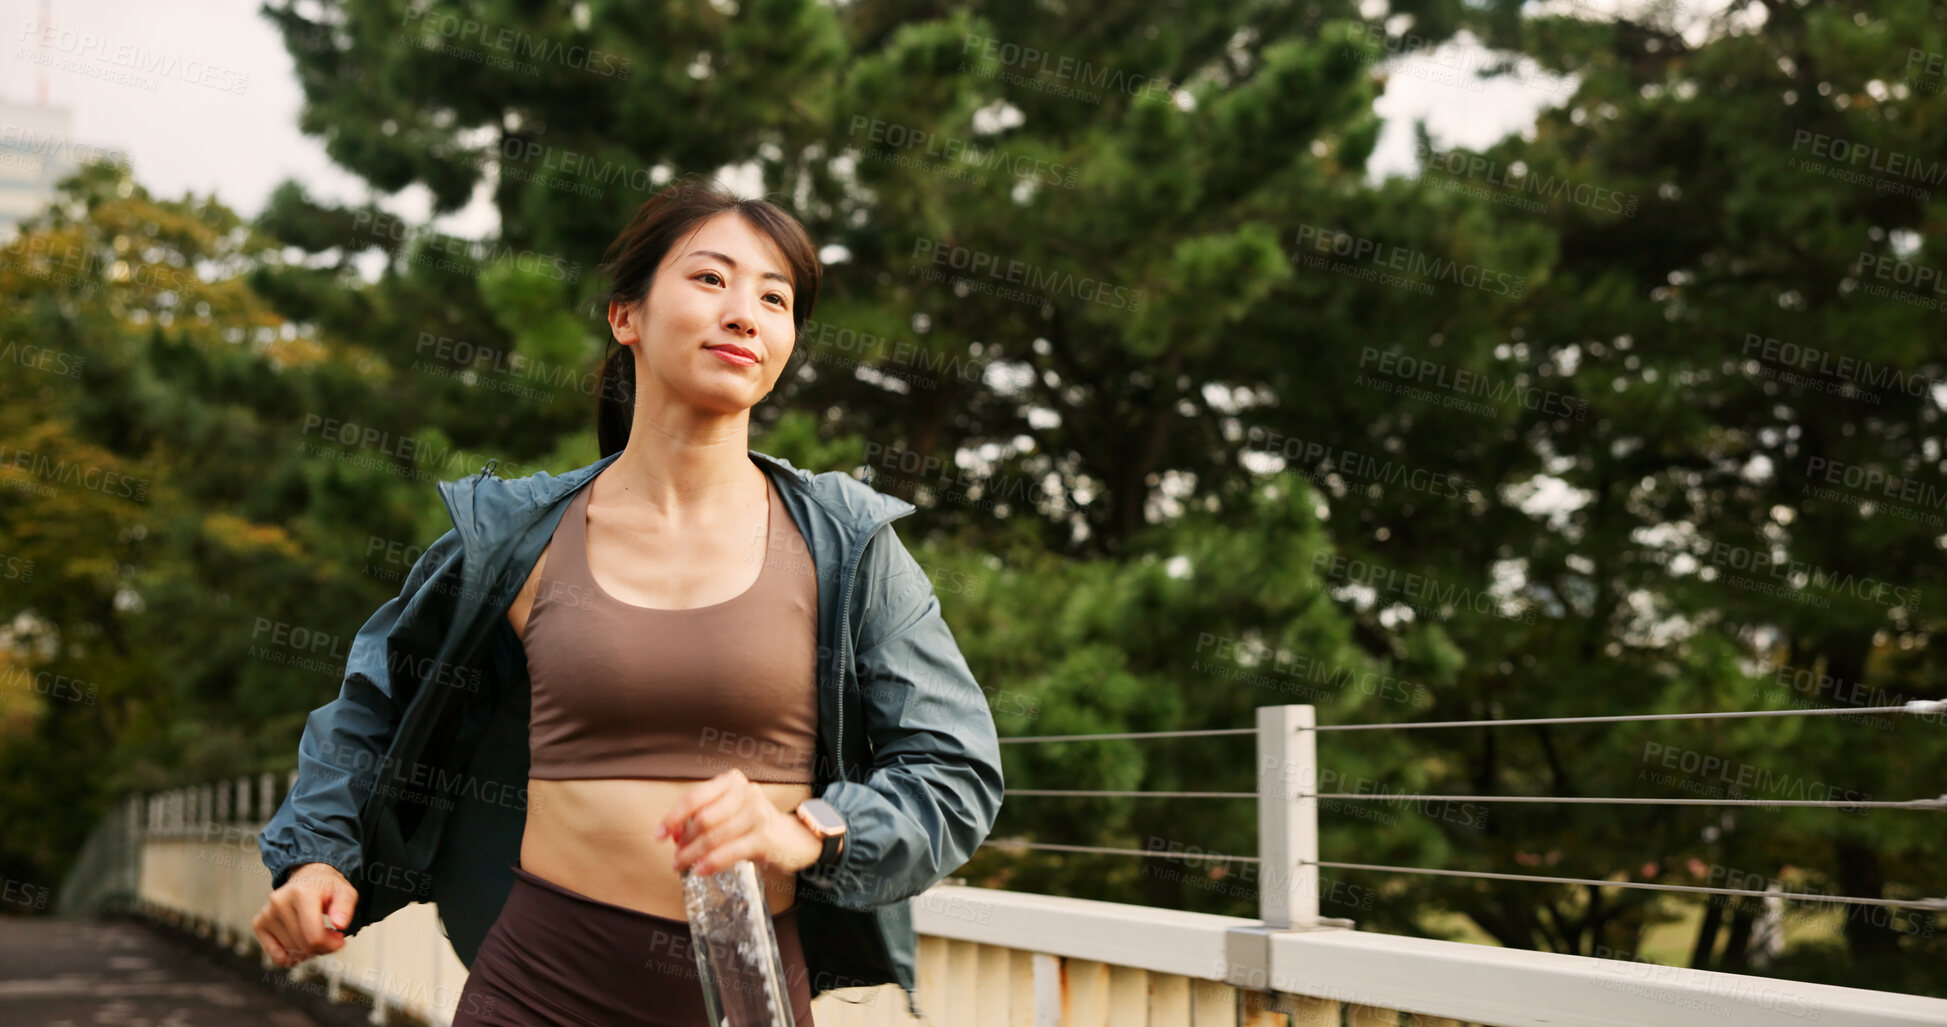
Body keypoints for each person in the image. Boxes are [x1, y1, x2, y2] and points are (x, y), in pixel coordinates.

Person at [253, 176, 1005, 1025]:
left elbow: (955, 771)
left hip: (746, 999)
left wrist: (814, 829)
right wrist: (317, 860)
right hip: (534, 990)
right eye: (711, 279)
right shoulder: (513, 535)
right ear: (626, 315)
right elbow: (370, 710)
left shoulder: (845, 544)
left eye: (775, 296)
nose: (744, 312)